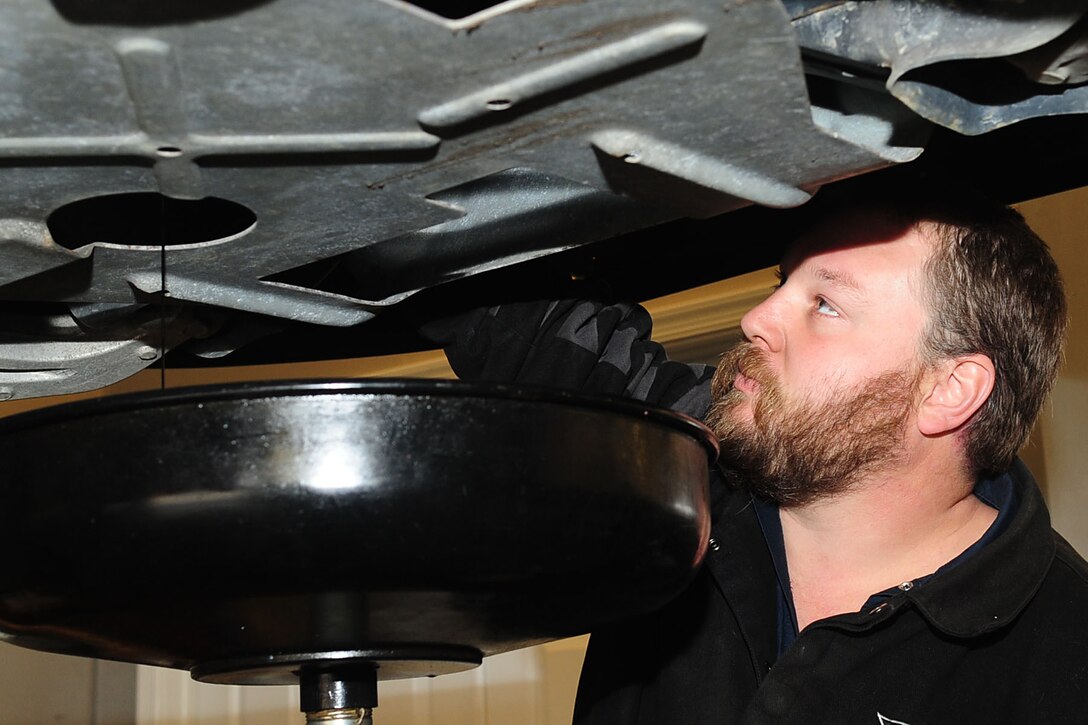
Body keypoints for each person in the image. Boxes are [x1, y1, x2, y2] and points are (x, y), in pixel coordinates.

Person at [421, 183, 1088, 723]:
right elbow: (504, 307)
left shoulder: (1065, 656)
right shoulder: (679, 462)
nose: (758, 317)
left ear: (950, 389)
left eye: (823, 303)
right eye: (782, 284)